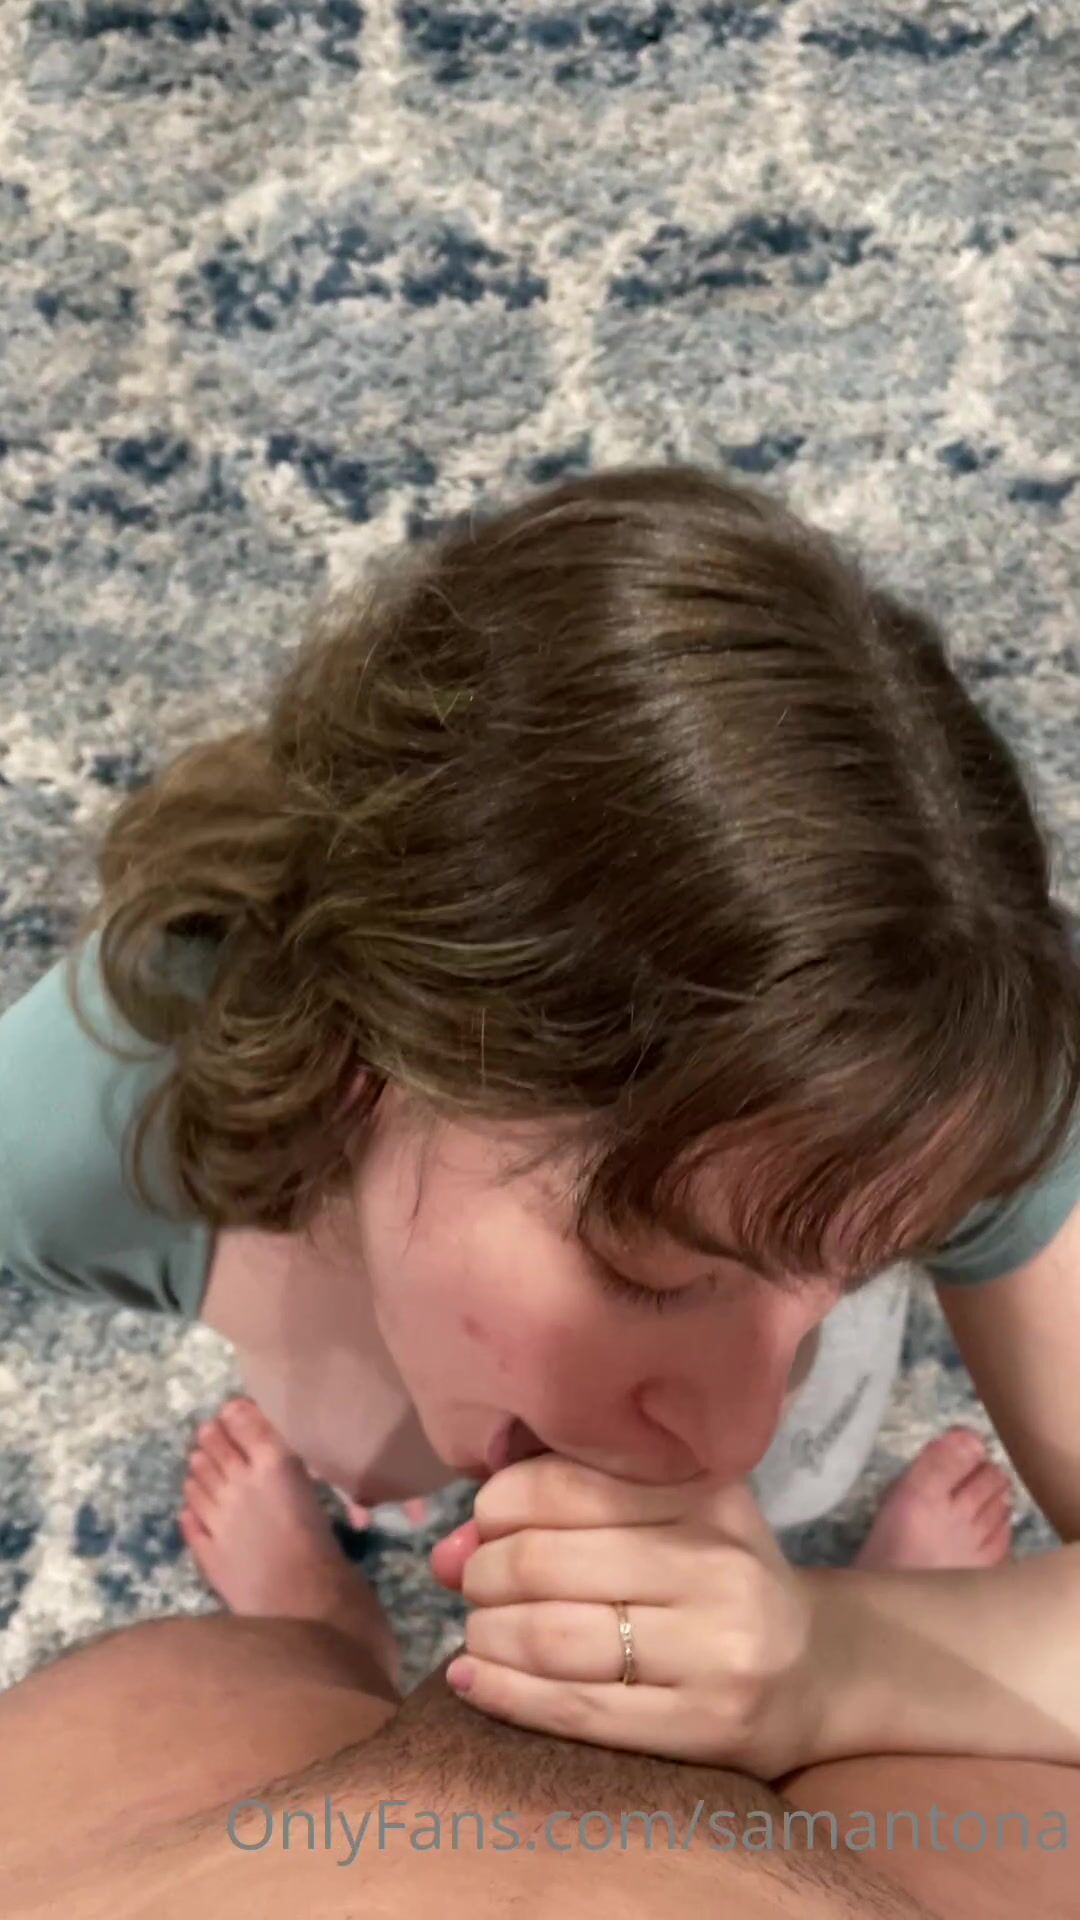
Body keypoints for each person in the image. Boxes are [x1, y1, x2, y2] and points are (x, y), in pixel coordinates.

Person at [3, 462, 1080, 1777]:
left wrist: (843, 1656)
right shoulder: (75, 1128)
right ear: (371, 1049)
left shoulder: (922, 1058)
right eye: (653, 1271)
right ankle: (324, 1630)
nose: (732, 1445)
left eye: (864, 1271)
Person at [2, 1416, 1078, 1920]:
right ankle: (898, 1648)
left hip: (170, 1862)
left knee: (239, 1676)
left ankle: (324, 1629)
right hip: (919, 1881)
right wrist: (858, 1658)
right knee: (947, 1751)